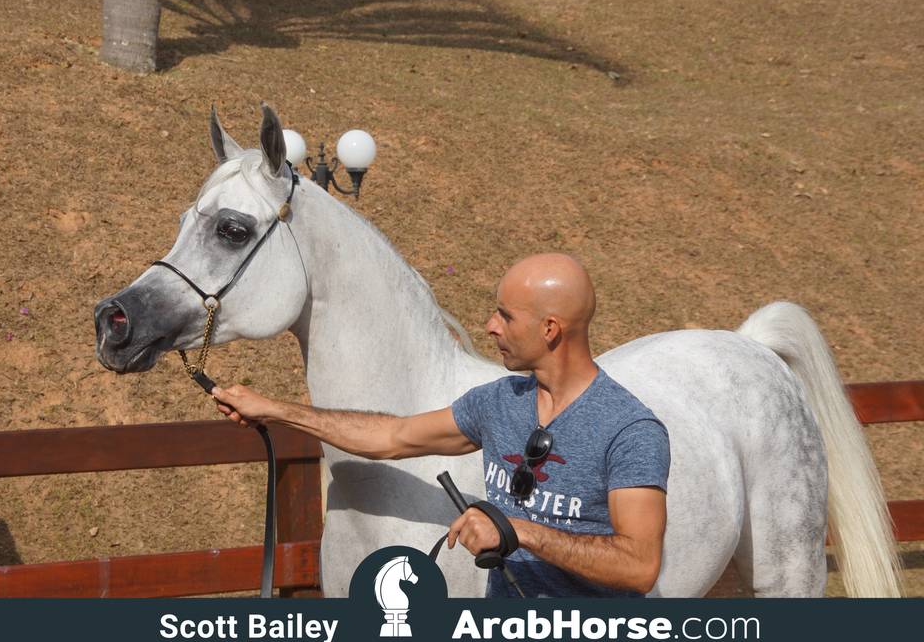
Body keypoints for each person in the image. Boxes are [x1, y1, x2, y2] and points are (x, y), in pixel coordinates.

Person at [212, 253, 670, 598]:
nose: (490, 326)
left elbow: (639, 565)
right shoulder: (500, 402)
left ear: (550, 329)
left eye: (506, 316)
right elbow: (392, 437)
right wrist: (274, 409)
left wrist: (518, 530)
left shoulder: (629, 430)